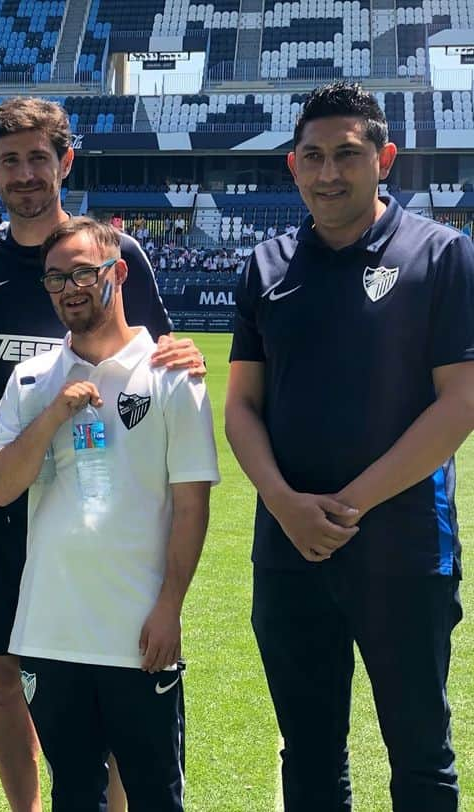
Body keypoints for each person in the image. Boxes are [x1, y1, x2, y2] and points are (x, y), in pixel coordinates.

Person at [0, 96, 206, 812]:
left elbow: (154, 353)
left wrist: (184, 353)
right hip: (8, 505)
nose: (26, 174)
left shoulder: (116, 255)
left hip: (105, 503)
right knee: (6, 674)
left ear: (64, 161)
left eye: (39, 157)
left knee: (119, 672)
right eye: (10, 161)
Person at [226, 81, 474, 811]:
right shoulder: (265, 265)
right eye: (313, 156)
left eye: (347, 154)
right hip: (288, 552)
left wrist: (343, 506)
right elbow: (241, 404)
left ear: (385, 158)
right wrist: (283, 503)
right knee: (309, 755)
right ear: (292, 167)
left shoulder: (443, 255)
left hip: (403, 549)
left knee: (422, 757)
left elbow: (460, 402)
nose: (329, 172)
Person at [0, 217, 218, 811]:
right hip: (50, 630)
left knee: (155, 795)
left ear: (117, 273)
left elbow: (192, 505)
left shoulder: (173, 374)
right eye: (56, 278)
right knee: (74, 794)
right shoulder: (32, 379)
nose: (69, 287)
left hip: (138, 635)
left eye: (84, 273)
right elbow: (3, 488)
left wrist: (170, 606)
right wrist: (53, 417)